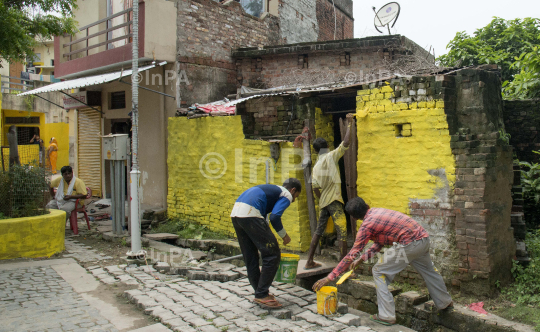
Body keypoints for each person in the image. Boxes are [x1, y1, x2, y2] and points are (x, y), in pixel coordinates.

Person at [313, 197, 453, 326]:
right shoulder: (377, 212)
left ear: (354, 218)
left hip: (409, 245)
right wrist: (362, 259)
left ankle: (386, 315)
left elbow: (351, 255)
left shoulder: (366, 225)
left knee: (379, 270)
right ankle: (445, 303)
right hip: (423, 240)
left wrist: (330, 277)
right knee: (429, 271)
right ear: (367, 205)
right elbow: (379, 243)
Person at [230, 178, 302, 308]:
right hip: (250, 213)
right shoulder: (285, 194)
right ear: (292, 190)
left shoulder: (273, 190)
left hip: (236, 213)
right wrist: (284, 236)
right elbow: (275, 217)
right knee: (272, 254)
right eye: (295, 197)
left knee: (250, 256)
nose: (294, 200)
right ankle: (262, 294)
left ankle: (260, 293)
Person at [304, 113, 354, 269]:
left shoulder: (316, 167)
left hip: (324, 202)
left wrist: (321, 199)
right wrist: (350, 125)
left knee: (318, 231)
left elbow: (315, 188)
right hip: (334, 201)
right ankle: (342, 265)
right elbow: (345, 143)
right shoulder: (331, 156)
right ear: (326, 148)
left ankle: (309, 261)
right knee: (343, 231)